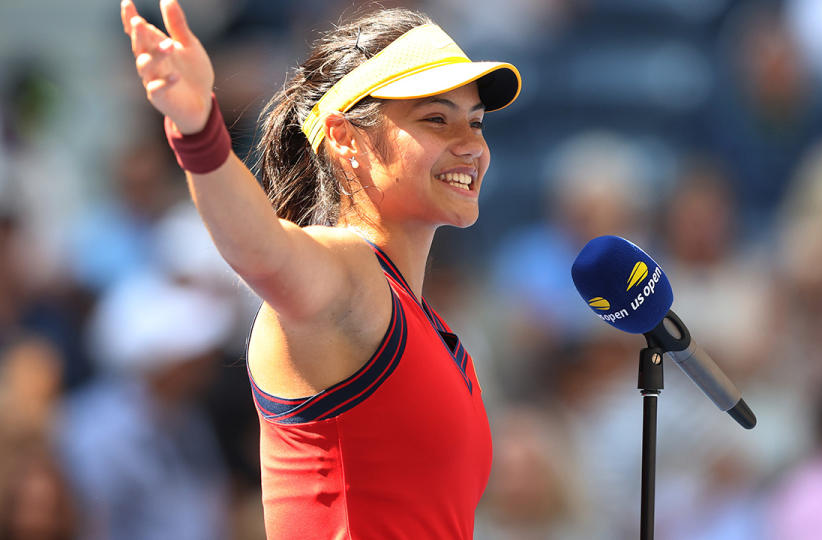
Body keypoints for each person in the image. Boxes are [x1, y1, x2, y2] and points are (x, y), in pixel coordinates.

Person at [119, 1, 521, 538]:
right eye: (436, 119)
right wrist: (198, 128)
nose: (472, 145)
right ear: (344, 137)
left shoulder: (424, 320)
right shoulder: (348, 276)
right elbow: (258, 248)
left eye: (475, 122)